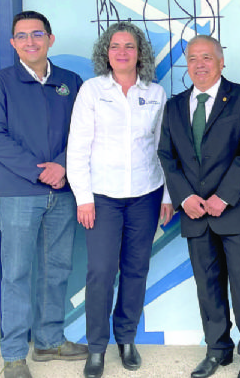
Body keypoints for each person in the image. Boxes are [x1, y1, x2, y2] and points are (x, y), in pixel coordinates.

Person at [0, 10, 87, 378]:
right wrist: (39, 172)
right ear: (13, 43)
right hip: (17, 194)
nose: (30, 41)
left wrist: (62, 165)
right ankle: (13, 355)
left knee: (56, 269)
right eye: (22, 36)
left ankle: (48, 340)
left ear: (50, 39)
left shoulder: (70, 82)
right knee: (17, 273)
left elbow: (83, 133)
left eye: (37, 34)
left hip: (63, 190)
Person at [157, 35, 240, 378]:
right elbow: (167, 154)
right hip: (195, 213)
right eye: (193, 58)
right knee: (207, 287)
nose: (200, 64)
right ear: (187, 65)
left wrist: (224, 196)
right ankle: (218, 349)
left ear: (221, 62)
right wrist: (185, 197)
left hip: (235, 209)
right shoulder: (175, 106)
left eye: (207, 57)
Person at [67, 22, 174, 378]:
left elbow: (165, 148)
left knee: (136, 269)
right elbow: (78, 147)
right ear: (106, 53)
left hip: (146, 194)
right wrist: (83, 197)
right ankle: (96, 347)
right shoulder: (92, 91)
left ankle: (126, 339)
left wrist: (169, 195)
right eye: (116, 46)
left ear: (139, 52)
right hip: (103, 198)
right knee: (100, 271)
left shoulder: (156, 93)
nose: (123, 52)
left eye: (130, 46)